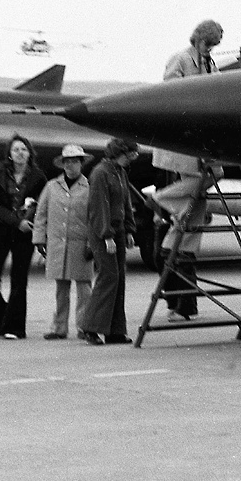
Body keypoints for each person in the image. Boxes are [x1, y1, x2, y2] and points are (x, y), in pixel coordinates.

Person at [152, 19, 223, 321]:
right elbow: (171, 95)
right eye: (208, 44)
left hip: (201, 143)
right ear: (198, 40)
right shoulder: (180, 60)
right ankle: (164, 199)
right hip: (182, 143)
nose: (209, 50)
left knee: (192, 216)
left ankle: (183, 305)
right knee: (185, 229)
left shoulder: (210, 64)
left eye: (213, 46)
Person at [0, 134, 46, 339]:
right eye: (16, 149)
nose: (20, 153)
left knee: (19, 280)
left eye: (24, 149)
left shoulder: (38, 177)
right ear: (9, 154)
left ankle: (14, 327)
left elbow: (42, 205)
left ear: (29, 153)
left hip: (25, 233)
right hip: (2, 229)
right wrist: (17, 221)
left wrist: (32, 223)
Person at [77, 138, 139, 346]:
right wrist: (107, 236)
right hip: (104, 232)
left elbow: (125, 202)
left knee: (119, 277)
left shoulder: (119, 171)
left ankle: (115, 331)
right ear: (121, 152)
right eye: (131, 153)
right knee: (109, 276)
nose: (134, 157)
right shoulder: (100, 173)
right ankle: (89, 327)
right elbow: (98, 209)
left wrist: (129, 229)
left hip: (118, 231)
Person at [32, 144, 93, 340]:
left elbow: (94, 219)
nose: (70, 165)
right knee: (61, 289)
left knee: (84, 289)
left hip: (80, 245)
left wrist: (92, 244)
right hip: (58, 246)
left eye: (75, 161)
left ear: (81, 164)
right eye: (67, 161)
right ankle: (59, 328)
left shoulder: (89, 188)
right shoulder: (51, 187)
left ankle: (85, 326)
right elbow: (41, 215)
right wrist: (39, 239)